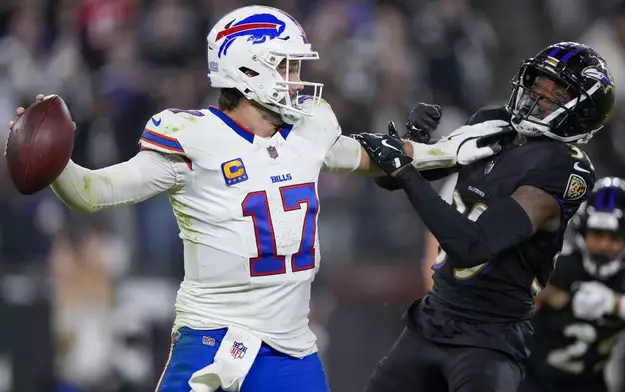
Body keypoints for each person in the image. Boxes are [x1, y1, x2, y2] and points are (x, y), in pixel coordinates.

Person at [5, 5, 508, 392]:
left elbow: (377, 157)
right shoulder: (192, 136)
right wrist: (54, 164)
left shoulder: (311, 129)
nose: (297, 78)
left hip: (292, 347)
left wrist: (451, 149)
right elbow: (96, 193)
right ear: (248, 69)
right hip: (211, 340)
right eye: (285, 66)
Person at [353, 41, 615, 392]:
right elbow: (391, 182)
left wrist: (404, 171)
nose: (536, 96)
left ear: (581, 111)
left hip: (489, 339)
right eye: (537, 85)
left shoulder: (567, 167)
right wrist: (411, 143)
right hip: (433, 318)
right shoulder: (493, 124)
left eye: (554, 93)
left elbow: (473, 246)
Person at [520, 177, 625, 392]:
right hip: (533, 381)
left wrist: (614, 303)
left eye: (615, 237)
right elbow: (516, 301)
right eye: (597, 234)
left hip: (590, 384)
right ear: (582, 231)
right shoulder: (561, 263)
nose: (604, 245)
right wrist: (552, 295)